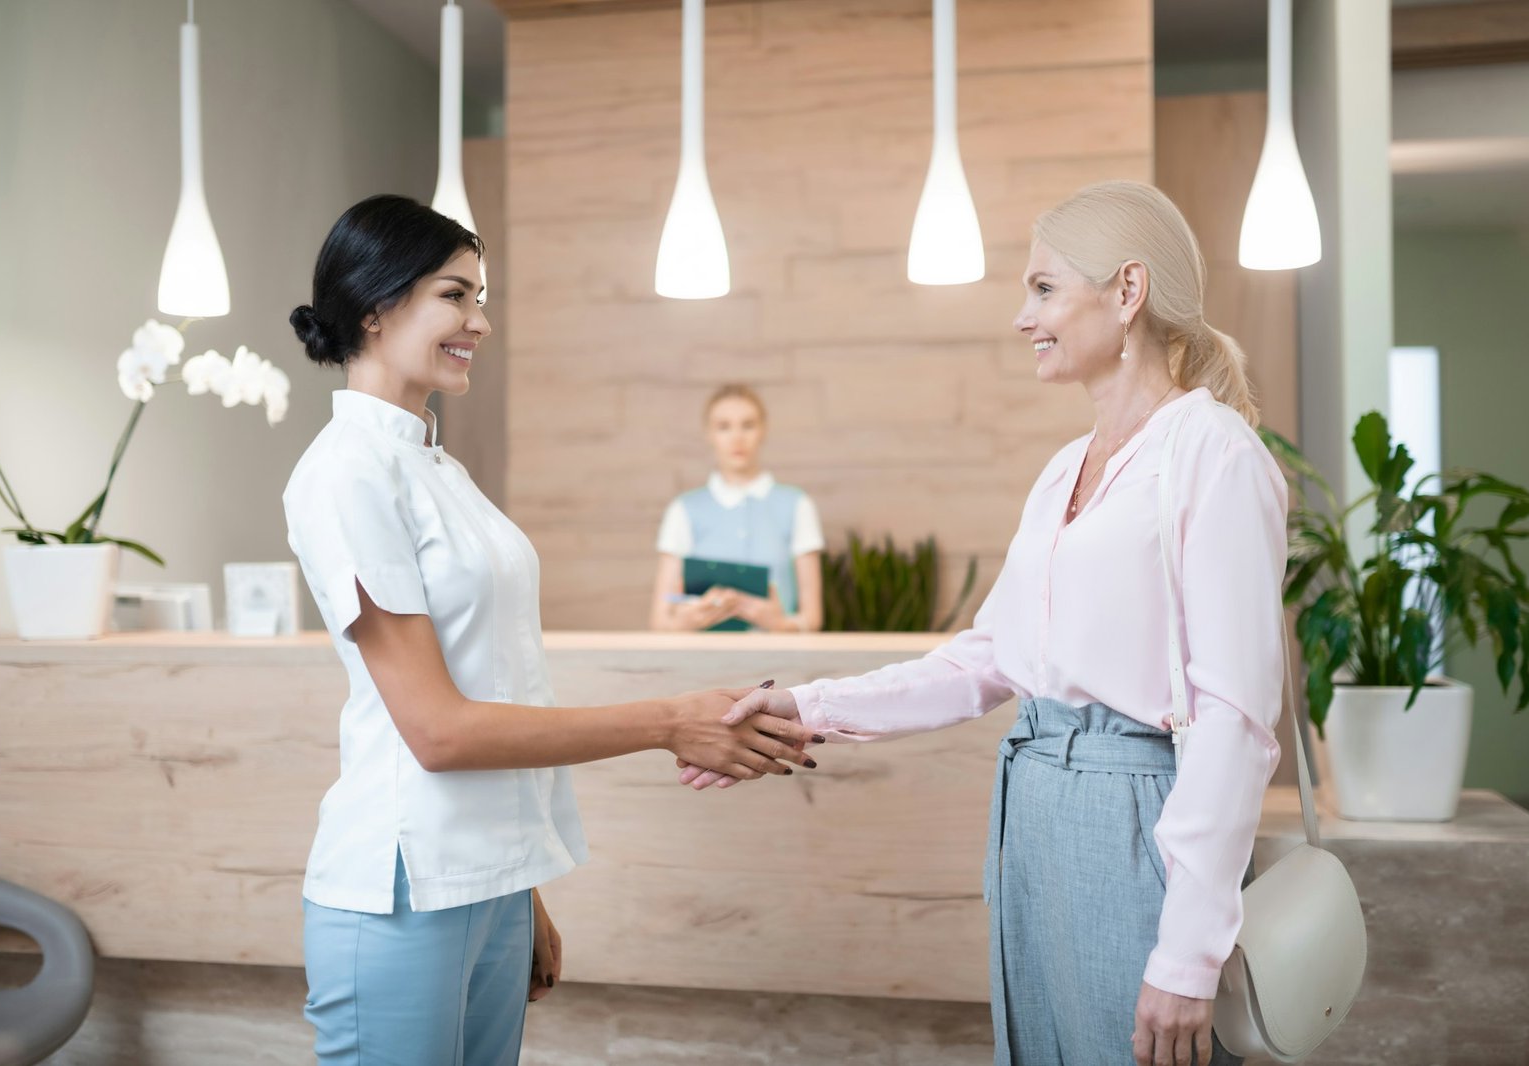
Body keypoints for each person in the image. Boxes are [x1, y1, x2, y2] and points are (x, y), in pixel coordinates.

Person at [682, 180, 1288, 1066]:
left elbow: (1235, 719)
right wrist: (804, 708)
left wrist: (1189, 954)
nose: (1021, 317)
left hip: (1135, 822)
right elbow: (983, 661)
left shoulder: (1216, 452)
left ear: (1127, 292)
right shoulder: (1062, 470)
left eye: (1043, 288)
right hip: (1031, 809)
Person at [283, 195, 819, 1066]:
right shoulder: (346, 473)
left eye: (480, 297)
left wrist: (518, 884)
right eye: (455, 296)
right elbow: (439, 729)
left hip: (484, 881)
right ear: (375, 307)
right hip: (402, 887)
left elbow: (501, 682)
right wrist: (668, 722)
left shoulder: (436, 465)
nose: (480, 322)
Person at [649, 384, 825, 633]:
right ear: (709, 434)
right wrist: (687, 621)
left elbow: (813, 618)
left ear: (763, 430)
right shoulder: (683, 510)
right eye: (724, 427)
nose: (737, 438)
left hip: (778, 665)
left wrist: (780, 624)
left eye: (748, 425)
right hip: (702, 664)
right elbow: (660, 622)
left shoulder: (797, 505)